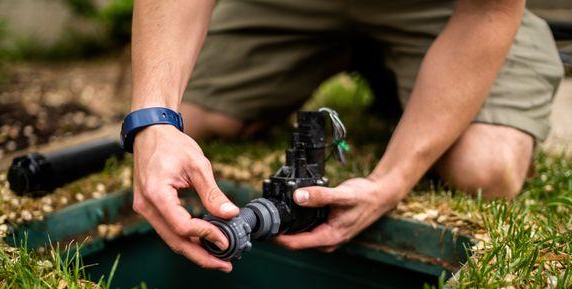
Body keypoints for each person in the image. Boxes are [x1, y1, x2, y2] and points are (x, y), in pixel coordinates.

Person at [127, 0, 564, 272]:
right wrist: (155, 121)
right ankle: (347, 49)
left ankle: (405, 70)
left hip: (447, 7)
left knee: (484, 167)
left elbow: (489, 11)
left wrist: (390, 181)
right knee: (199, 119)